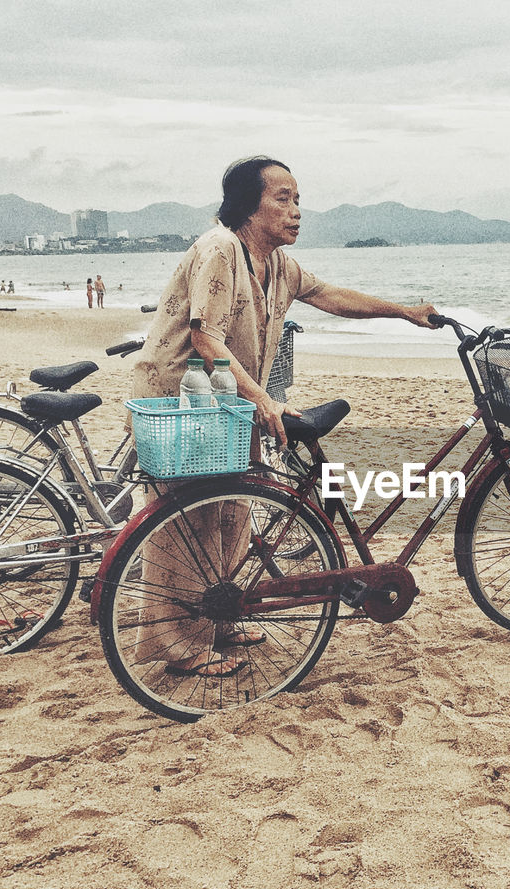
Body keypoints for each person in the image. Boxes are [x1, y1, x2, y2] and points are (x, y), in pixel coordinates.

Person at [132, 154, 439, 678]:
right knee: (189, 520)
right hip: (183, 398)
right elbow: (206, 339)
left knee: (233, 511)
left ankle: (219, 619)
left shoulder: (275, 263)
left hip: (232, 399)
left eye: (297, 200)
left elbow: (328, 295)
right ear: (249, 207)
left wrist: (404, 311)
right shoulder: (221, 250)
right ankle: (178, 645)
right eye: (282, 199)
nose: (295, 211)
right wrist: (267, 401)